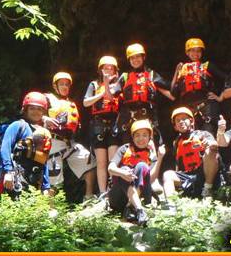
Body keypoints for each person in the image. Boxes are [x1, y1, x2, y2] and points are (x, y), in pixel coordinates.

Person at [43, 72, 97, 201]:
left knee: (89, 161)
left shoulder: (70, 103)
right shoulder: (47, 99)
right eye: (61, 84)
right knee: (53, 178)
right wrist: (44, 118)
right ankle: (50, 208)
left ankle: (88, 197)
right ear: (55, 86)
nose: (64, 87)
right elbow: (32, 113)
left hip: (69, 143)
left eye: (67, 84)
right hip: (53, 143)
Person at [111, 43, 174, 147]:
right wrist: (107, 81)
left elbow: (170, 88)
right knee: (128, 149)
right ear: (129, 60)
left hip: (147, 117)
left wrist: (177, 72)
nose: (135, 60)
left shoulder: (151, 75)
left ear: (143, 57)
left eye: (138, 56)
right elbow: (112, 95)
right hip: (129, 119)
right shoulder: (125, 77)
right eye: (132, 58)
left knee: (150, 147)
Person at [108, 120, 165, 225]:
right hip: (120, 198)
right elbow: (110, 168)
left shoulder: (151, 154)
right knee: (124, 169)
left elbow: (151, 179)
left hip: (143, 195)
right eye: (137, 135)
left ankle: (134, 208)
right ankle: (138, 209)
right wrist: (122, 173)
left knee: (142, 165)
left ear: (149, 137)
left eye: (144, 135)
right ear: (132, 137)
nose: (141, 139)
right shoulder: (124, 149)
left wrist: (160, 157)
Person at [0, 92, 52, 197]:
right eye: (32, 108)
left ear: (43, 112)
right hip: (15, 178)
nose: (36, 112)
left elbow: (43, 160)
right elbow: (5, 148)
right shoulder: (17, 126)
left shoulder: (43, 132)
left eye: (39, 109)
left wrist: (46, 186)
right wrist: (8, 172)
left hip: (34, 180)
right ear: (26, 109)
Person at [162, 107, 219, 200]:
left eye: (184, 119)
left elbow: (215, 145)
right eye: (178, 120)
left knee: (210, 151)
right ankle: (171, 205)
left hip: (204, 175)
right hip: (188, 177)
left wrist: (209, 144)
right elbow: (178, 164)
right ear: (175, 127)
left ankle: (208, 189)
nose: (181, 122)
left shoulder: (202, 134)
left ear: (192, 121)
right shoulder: (176, 142)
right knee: (167, 174)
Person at [171, 38, 225, 133]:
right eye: (192, 50)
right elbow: (173, 92)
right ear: (187, 52)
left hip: (207, 107)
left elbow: (226, 79)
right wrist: (176, 72)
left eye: (198, 51)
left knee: (209, 135)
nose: (196, 53)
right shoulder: (182, 69)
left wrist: (220, 96)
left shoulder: (207, 66)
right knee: (192, 137)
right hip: (189, 109)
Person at [83, 56, 120, 198]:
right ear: (100, 70)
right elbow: (86, 103)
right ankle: (103, 192)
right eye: (106, 68)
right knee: (101, 162)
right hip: (98, 124)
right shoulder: (93, 85)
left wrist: (107, 84)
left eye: (111, 68)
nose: (108, 70)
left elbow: (112, 99)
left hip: (113, 123)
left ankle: (113, 191)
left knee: (113, 160)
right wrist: (102, 89)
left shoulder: (118, 84)